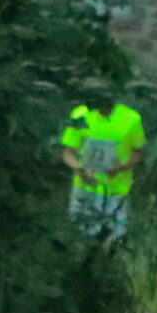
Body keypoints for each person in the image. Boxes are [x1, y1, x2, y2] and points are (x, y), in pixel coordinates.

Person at [59, 93, 143, 240]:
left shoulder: (131, 118)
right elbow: (68, 152)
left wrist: (121, 167)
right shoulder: (80, 114)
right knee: (80, 237)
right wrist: (79, 169)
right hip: (84, 189)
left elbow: (138, 153)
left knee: (113, 239)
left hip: (115, 190)